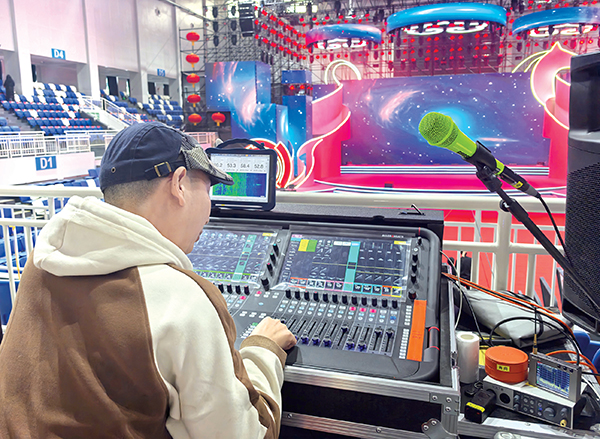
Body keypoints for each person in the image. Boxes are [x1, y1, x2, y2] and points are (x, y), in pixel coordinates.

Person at [0, 122, 296, 438]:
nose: (209, 212)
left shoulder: (41, 261)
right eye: (208, 189)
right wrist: (263, 351)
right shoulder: (184, 299)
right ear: (179, 184)